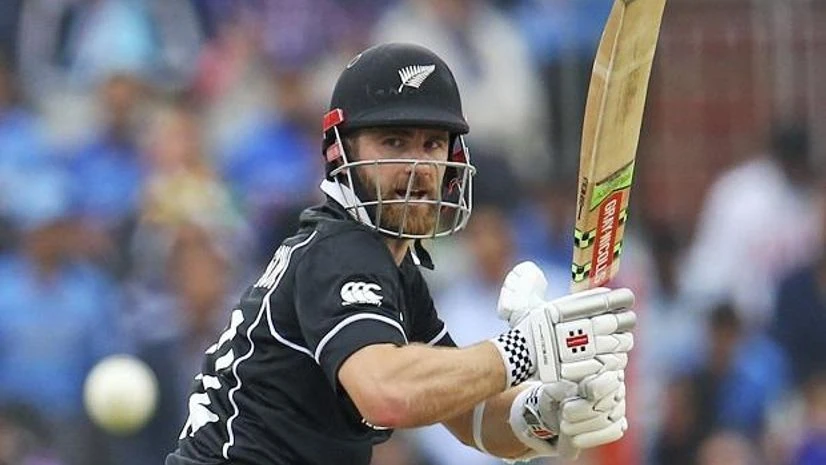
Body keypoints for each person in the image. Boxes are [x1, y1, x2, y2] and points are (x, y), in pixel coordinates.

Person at [166, 43, 634, 465]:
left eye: (431, 144)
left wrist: (545, 413)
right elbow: (386, 393)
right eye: (394, 142)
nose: (417, 165)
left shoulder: (395, 269)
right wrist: (526, 347)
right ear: (340, 153)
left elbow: (470, 418)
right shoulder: (339, 250)